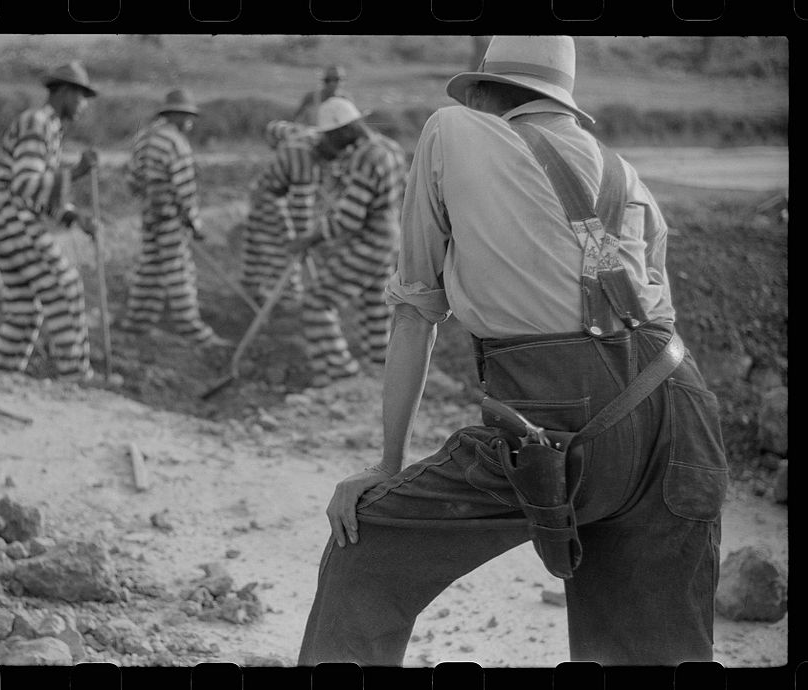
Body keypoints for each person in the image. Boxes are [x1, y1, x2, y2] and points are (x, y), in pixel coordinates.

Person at [298, 36, 728, 666]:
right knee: (648, 654)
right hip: (683, 414)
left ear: (486, 93)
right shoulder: (623, 174)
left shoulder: (452, 131)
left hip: (561, 409)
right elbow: (628, 306)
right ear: (563, 102)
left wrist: (387, 464)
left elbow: (417, 312)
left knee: (366, 549)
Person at [0, 60, 101, 382]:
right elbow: (24, 185)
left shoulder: (50, 130)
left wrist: (75, 217)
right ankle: (76, 376)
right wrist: (76, 173)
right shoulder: (37, 123)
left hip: (6, 217)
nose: (84, 105)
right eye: (81, 96)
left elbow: (40, 194)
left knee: (24, 308)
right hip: (9, 216)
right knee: (64, 285)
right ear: (63, 92)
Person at [288, 97, 407, 388]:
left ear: (342, 131)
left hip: (371, 241)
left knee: (316, 302)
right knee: (375, 307)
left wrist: (310, 238)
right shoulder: (388, 147)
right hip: (390, 237)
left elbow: (350, 218)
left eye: (329, 136)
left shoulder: (368, 157)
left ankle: (343, 375)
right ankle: (381, 372)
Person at [123, 88, 229, 347]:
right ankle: (192, 329)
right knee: (179, 270)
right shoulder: (176, 143)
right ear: (178, 116)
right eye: (188, 117)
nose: (190, 123)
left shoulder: (143, 138)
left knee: (150, 268)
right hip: (169, 216)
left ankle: (137, 323)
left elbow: (132, 180)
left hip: (150, 214)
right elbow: (184, 189)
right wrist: (194, 223)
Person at [240, 119, 322, 306]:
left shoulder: (299, 145)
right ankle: (283, 296)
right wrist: (302, 234)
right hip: (275, 202)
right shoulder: (300, 150)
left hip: (273, 201)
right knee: (278, 249)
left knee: (271, 246)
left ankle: (271, 292)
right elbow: (299, 200)